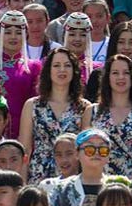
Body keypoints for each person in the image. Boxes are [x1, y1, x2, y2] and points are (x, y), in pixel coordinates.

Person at [82, 53, 132, 206]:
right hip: (98, 183)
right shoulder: (92, 111)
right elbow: (83, 154)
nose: (120, 77)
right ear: (107, 77)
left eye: (125, 73)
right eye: (115, 73)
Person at [18, 48, 89, 183]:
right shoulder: (32, 105)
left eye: (67, 65)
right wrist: (22, 185)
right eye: (56, 65)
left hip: (72, 177)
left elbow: (86, 150)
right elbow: (25, 150)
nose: (62, 69)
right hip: (39, 174)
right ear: (48, 71)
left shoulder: (85, 107)